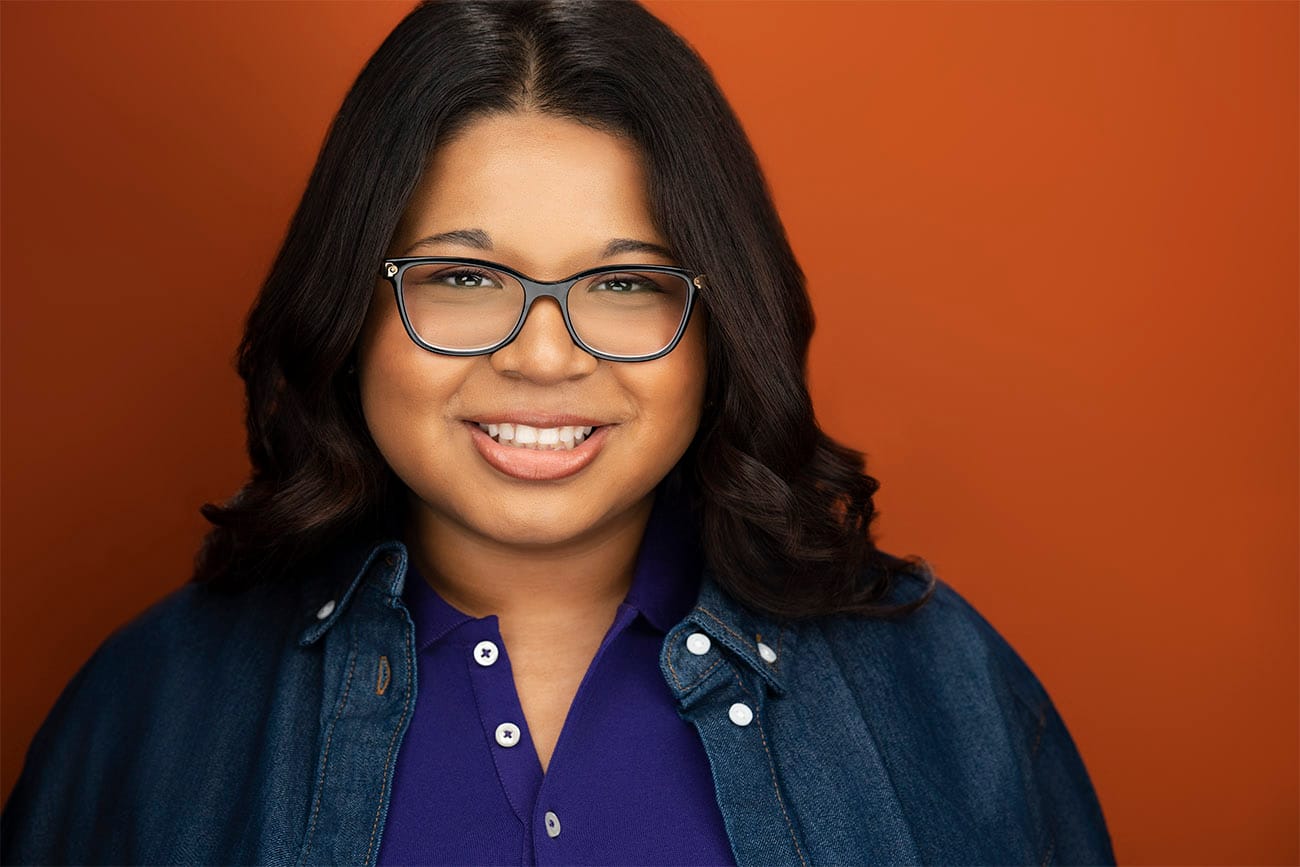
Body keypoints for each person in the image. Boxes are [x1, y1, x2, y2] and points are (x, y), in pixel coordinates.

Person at [1, 1, 1116, 864]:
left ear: (718, 329)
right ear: (351, 312)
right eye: (465, 275)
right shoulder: (156, 711)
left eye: (626, 285)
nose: (543, 355)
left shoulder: (943, 694)